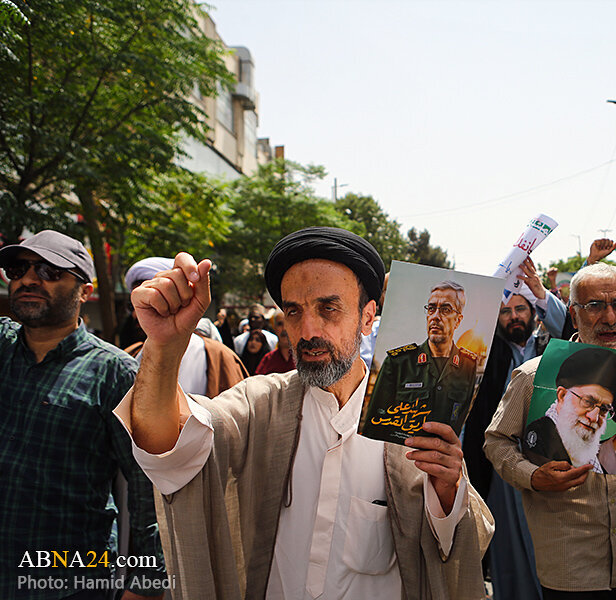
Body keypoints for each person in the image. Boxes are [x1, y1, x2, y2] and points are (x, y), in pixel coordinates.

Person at [114, 226, 492, 600]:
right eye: (293, 311)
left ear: (367, 317)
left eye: (328, 308)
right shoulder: (262, 405)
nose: (308, 330)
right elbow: (166, 445)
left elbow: (462, 546)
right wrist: (163, 344)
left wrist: (447, 488)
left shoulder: (410, 415)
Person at [485, 262, 616, 599]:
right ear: (573, 313)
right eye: (595, 305)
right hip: (568, 565)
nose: (610, 318)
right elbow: (496, 442)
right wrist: (533, 476)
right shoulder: (533, 376)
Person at [0, 230, 166, 598]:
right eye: (18, 269)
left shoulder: (115, 372)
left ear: (84, 292)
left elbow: (147, 484)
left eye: (48, 270)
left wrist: (147, 585)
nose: (29, 279)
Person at [462, 256, 567, 600]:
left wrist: (541, 291)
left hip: (550, 463)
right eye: (505, 311)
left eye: (521, 309)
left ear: (534, 312)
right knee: (509, 547)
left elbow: (572, 329)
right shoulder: (489, 354)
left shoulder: (550, 347)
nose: (514, 317)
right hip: (503, 467)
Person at [366, 280, 478, 437]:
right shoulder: (398, 363)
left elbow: (461, 420)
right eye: (431, 309)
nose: (435, 317)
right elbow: (374, 426)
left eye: (445, 310)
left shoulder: (468, 365)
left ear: (458, 320)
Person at [123, 257, 247, 397]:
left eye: (151, 301)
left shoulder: (219, 357)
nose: (137, 313)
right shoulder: (130, 355)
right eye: (133, 305)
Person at [523, 347, 616, 470]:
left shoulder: (598, 453)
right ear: (562, 395)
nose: (594, 417)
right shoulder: (538, 438)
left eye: (604, 409)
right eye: (588, 402)